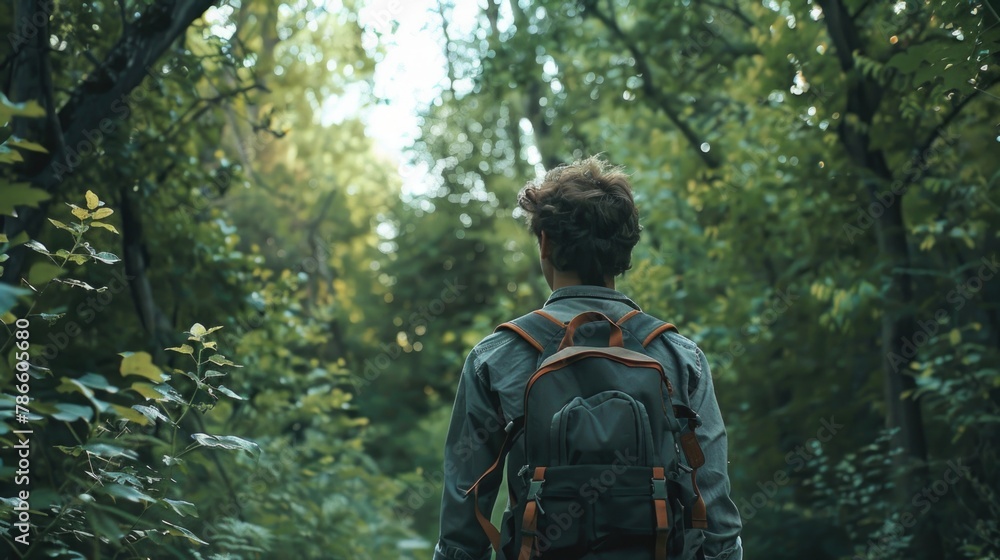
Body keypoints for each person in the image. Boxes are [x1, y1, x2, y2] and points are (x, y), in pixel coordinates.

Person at [433, 155, 743, 560]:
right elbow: (717, 517)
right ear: (624, 251)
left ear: (544, 242)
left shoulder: (495, 359)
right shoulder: (681, 358)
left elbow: (462, 527)